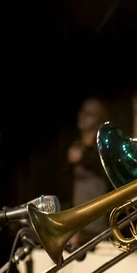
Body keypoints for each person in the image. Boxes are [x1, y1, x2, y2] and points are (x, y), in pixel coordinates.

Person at [58, 95, 114, 247]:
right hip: (75, 216)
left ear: (99, 119)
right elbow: (62, 185)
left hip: (95, 218)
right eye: (82, 111)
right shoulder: (73, 145)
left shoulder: (103, 148)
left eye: (89, 113)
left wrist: (84, 156)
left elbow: (107, 174)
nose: (82, 116)